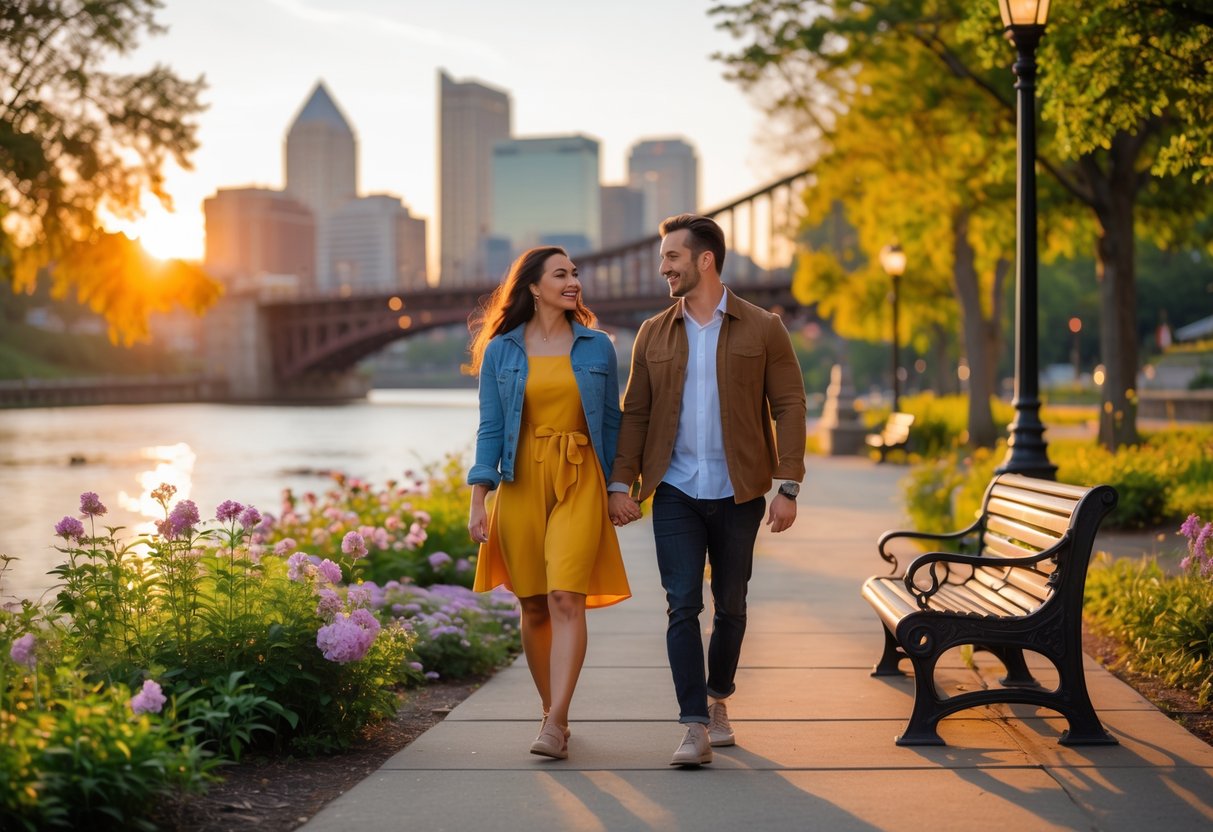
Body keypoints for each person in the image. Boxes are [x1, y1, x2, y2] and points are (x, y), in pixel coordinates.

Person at [607, 214, 806, 767]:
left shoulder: (764, 327)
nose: (663, 268)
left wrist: (788, 484)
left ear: (704, 260)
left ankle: (720, 700)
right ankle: (693, 724)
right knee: (682, 606)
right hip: (674, 490)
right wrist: (621, 483)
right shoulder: (652, 332)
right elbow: (637, 413)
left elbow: (789, 404)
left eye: (672, 257)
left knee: (733, 606)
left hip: (740, 491)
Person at [467, 246, 631, 761]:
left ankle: (557, 721)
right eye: (561, 274)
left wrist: (620, 487)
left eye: (575, 273)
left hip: (580, 475)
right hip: (520, 480)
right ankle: (550, 711)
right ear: (533, 287)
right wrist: (478, 498)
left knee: (565, 596)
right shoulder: (501, 351)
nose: (573, 281)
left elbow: (612, 423)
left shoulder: (597, 346)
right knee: (533, 602)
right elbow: (491, 427)